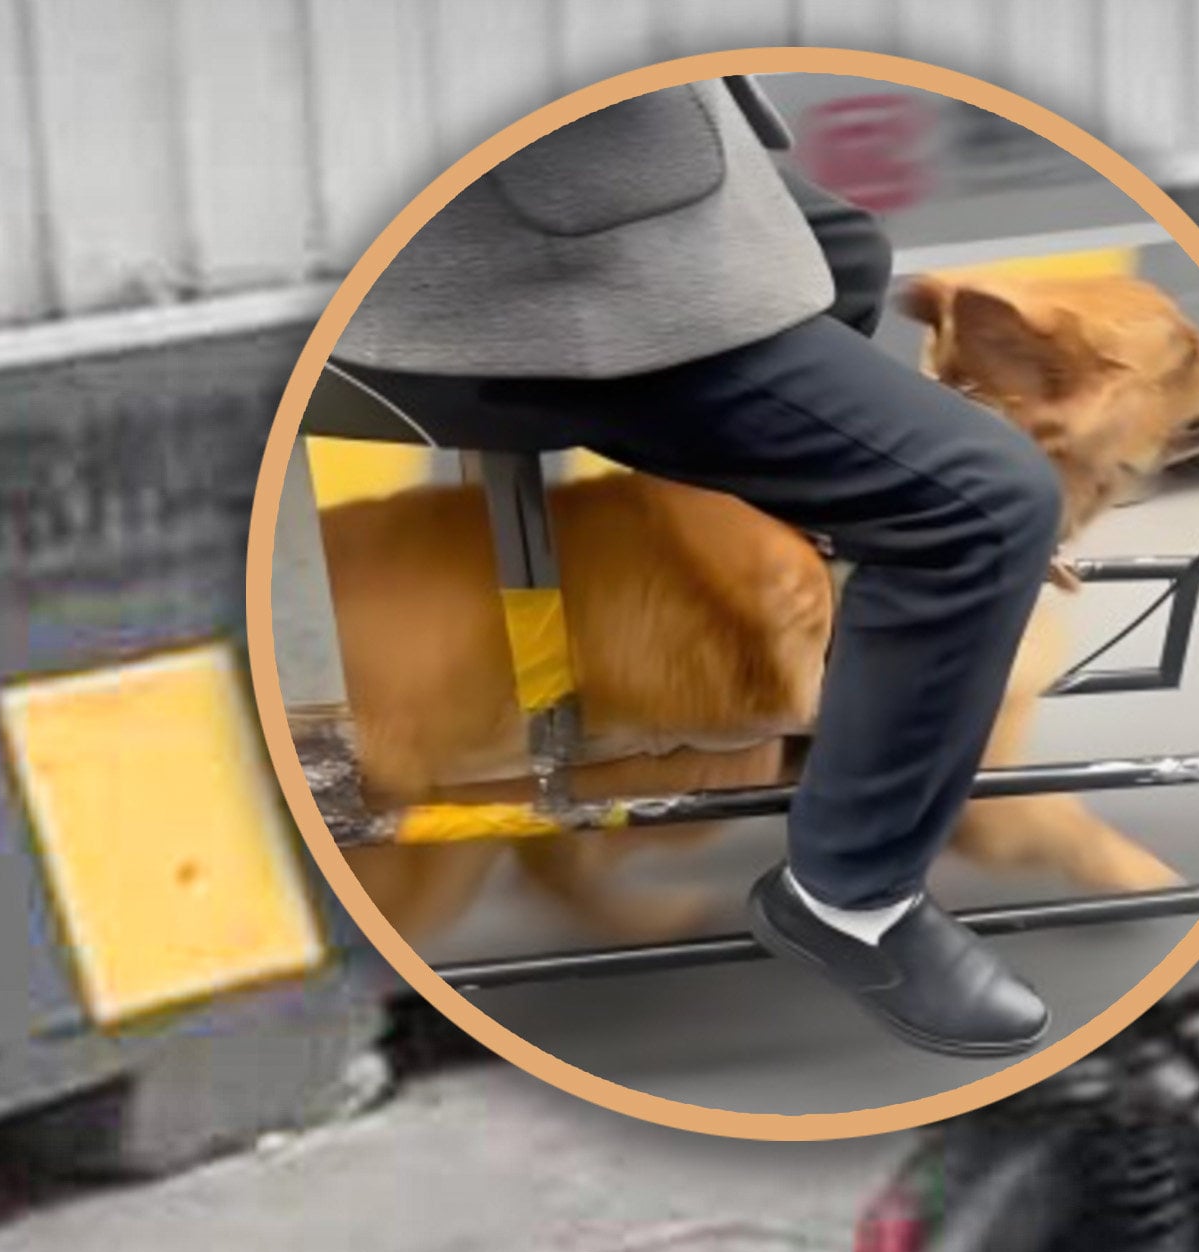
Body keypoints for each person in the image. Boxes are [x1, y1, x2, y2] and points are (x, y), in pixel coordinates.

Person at [328, 79, 1062, 1059]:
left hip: (597, 165)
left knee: (843, 248)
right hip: (523, 255)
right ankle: (854, 900)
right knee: (988, 498)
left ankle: (853, 657)